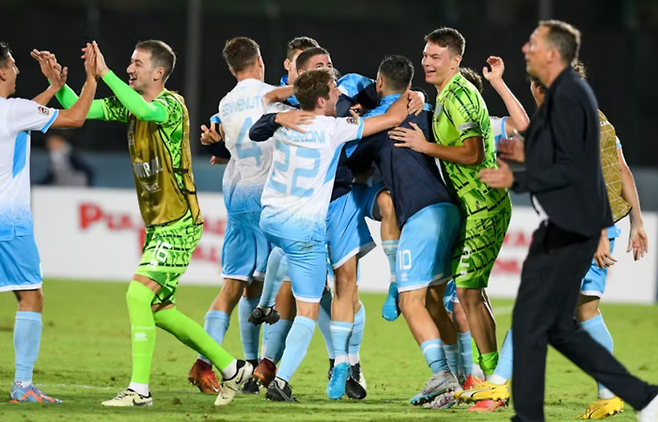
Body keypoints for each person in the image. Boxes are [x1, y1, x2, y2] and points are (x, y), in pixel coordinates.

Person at [47, 40, 250, 407]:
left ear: (158, 73)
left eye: (136, 63)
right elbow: (79, 110)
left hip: (179, 222)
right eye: (128, 63)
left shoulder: (171, 106)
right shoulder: (129, 107)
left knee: (137, 294)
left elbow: (144, 108)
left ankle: (140, 390)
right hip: (159, 224)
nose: (129, 69)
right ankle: (232, 367)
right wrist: (59, 86)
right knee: (159, 310)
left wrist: (104, 72)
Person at [478, 20, 658, 422]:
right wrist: (637, 223)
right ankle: (625, 395)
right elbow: (621, 171)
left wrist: (599, 233)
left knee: (545, 311)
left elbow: (586, 175)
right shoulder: (591, 113)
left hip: (582, 227)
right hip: (586, 226)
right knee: (576, 313)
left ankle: (502, 384)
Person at [256, 68, 408, 402]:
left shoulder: (284, 118)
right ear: (322, 99)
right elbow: (392, 117)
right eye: (333, 91)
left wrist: (277, 117)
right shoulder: (333, 128)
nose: (339, 94)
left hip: (270, 219)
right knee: (309, 310)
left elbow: (259, 121)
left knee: (308, 277)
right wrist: (418, 97)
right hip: (304, 227)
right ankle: (281, 382)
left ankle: (267, 305)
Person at [390, 27, 512, 381]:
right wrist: (422, 103)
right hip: (467, 209)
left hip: (485, 207)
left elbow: (473, 154)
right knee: (447, 291)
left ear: (455, 61)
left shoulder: (462, 95)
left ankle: (493, 383)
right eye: (425, 55)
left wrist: (424, 146)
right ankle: (471, 377)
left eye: (435, 57)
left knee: (468, 292)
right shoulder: (444, 96)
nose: (426, 62)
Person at [346, 55, 462, 409]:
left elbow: (346, 156)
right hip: (448, 211)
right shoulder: (425, 114)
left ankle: (442, 376)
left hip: (421, 217)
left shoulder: (376, 123)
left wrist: (352, 122)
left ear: (380, 84)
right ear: (410, 87)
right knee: (434, 301)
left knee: (410, 302)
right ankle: (461, 379)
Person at [1, 41, 98, 403]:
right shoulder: (13, 111)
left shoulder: (15, 112)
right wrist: (91, 78)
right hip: (8, 224)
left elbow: (26, 115)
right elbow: (75, 118)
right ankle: (23, 387)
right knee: (31, 296)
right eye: (12, 65)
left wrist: (54, 89)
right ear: (0, 72)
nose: (17, 71)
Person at [188, 36, 279, 396]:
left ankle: (206, 362)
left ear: (230, 69)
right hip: (271, 200)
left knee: (238, 286)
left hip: (238, 198)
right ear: (259, 59)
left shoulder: (225, 103)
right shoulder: (273, 94)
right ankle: (271, 369)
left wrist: (217, 138)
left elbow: (229, 134)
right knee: (278, 290)